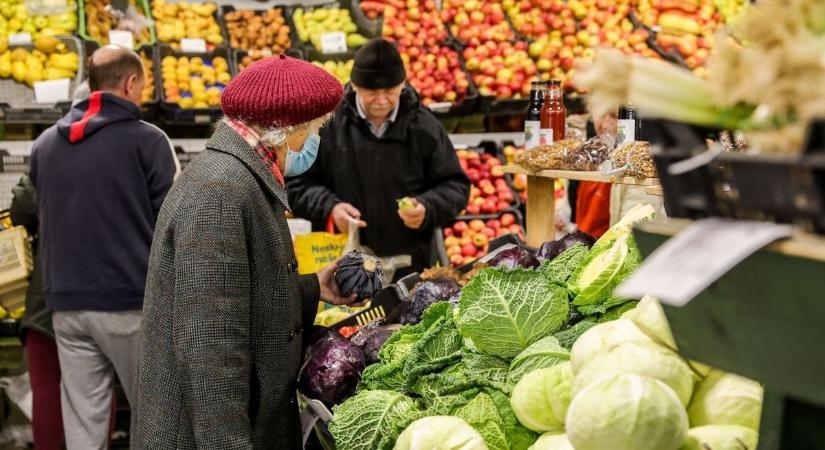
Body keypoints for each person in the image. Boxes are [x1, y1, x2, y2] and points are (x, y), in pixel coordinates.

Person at [131, 55, 359, 449]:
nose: (315, 141)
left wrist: (311, 289)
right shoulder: (219, 193)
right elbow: (210, 347)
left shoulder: (238, 176)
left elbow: (236, 296)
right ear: (288, 129)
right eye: (316, 129)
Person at [29, 45, 178, 449]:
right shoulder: (148, 141)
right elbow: (173, 226)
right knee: (156, 417)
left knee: (83, 422)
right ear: (131, 83)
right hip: (129, 303)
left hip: (66, 304)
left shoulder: (44, 145)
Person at [287, 39, 470, 276]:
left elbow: (456, 187)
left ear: (402, 84)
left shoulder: (425, 128)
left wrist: (427, 207)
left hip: (409, 266)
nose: (382, 99)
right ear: (354, 85)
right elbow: (295, 183)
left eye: (390, 91)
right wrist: (330, 208)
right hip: (341, 262)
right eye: (372, 92)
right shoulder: (327, 126)